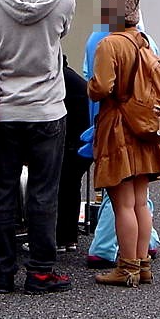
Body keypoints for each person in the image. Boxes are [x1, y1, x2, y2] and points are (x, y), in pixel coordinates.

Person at [0, 0, 76, 294]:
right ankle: (40, 270)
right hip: (48, 107)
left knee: (1, 191)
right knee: (43, 192)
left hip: (3, 106)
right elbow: (60, 35)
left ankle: (2, 272)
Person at [87, 0, 160, 287]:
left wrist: (89, 84)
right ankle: (142, 263)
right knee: (139, 201)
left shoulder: (110, 43)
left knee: (122, 202)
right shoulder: (143, 41)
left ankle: (126, 267)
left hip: (119, 127)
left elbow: (101, 88)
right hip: (145, 128)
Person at [57, 56, 92, 254]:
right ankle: (69, 237)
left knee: (63, 187)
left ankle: (60, 238)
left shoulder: (58, 79)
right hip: (84, 140)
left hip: (74, 141)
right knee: (70, 186)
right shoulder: (72, 77)